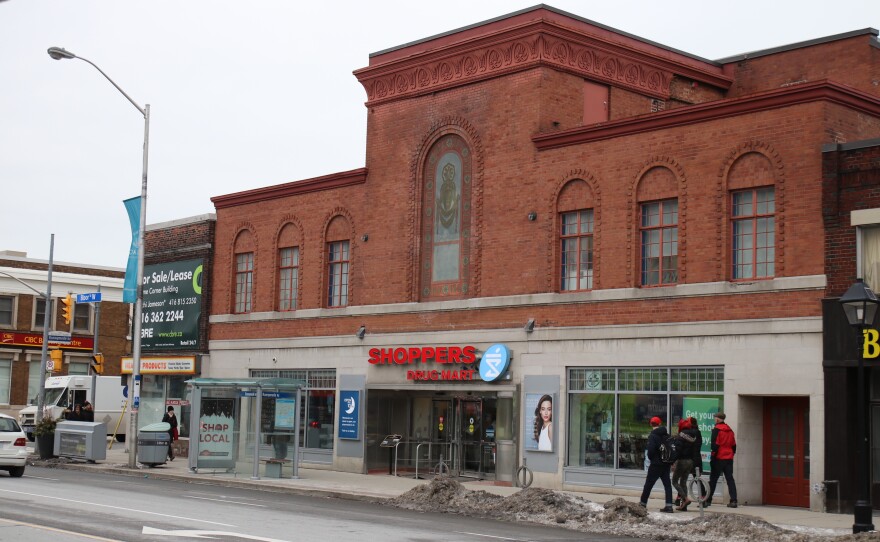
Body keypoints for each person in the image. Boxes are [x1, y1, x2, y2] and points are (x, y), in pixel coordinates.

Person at [639, 416, 674, 513]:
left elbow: (650, 450)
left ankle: (643, 503)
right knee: (667, 485)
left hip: (656, 464)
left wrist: (652, 459)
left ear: (651, 424)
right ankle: (669, 505)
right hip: (666, 463)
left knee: (649, 484)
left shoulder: (653, 436)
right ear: (659, 423)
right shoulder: (666, 435)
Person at [707, 412, 738, 508]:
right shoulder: (730, 430)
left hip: (719, 457)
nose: (714, 419)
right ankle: (733, 500)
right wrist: (731, 454)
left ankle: (708, 500)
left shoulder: (716, 430)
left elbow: (714, 445)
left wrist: (713, 456)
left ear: (717, 419)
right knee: (730, 479)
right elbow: (734, 445)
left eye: (715, 418)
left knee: (713, 479)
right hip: (729, 458)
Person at [672, 418, 698, 511]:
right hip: (690, 461)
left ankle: (685, 499)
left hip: (682, 461)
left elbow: (678, 451)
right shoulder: (694, 436)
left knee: (674, 481)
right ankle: (684, 507)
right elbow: (695, 450)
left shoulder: (681, 437)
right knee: (683, 482)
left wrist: (672, 461)